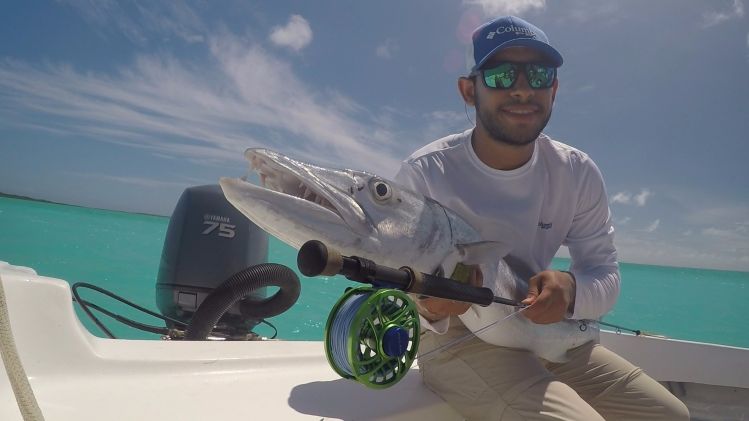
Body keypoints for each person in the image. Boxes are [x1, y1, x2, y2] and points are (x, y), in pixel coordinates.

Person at [394, 15, 689, 421]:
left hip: (546, 331)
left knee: (670, 415)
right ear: (468, 90)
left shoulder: (577, 172)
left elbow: (605, 272)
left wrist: (570, 290)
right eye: (500, 75)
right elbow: (396, 287)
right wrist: (432, 305)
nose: (521, 88)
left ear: (554, 88)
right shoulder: (426, 172)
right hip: (458, 340)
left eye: (537, 74)